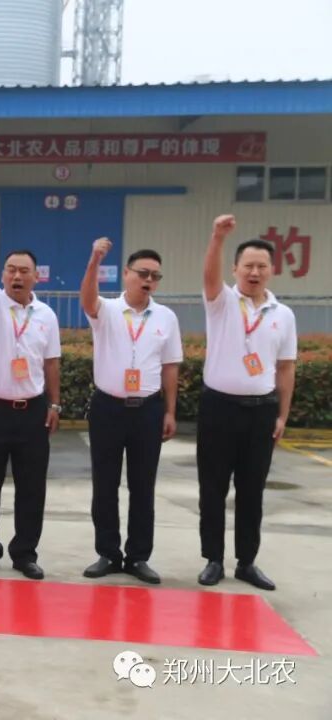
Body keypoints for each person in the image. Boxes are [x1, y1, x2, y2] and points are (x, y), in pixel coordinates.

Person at [197, 215, 296, 591]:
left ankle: (247, 562)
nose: (254, 272)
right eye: (248, 266)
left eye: (262, 266)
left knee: (252, 490)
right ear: (235, 269)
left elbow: (285, 368)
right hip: (219, 409)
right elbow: (209, 275)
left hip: (261, 411)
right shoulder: (221, 302)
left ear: (272, 271)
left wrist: (282, 415)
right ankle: (213, 559)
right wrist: (217, 238)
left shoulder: (283, 315)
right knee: (213, 488)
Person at [79, 238, 183, 585]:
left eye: (155, 276)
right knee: (105, 484)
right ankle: (108, 553)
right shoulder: (107, 310)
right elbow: (87, 299)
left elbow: (170, 366)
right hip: (108, 407)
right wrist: (95, 259)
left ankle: (138, 556)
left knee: (143, 486)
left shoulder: (166, 318)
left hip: (148, 410)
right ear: (126, 274)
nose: (148, 280)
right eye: (142, 273)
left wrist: (170, 411)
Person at [0, 220, 61, 580]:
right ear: (3, 275)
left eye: (24, 271)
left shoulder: (46, 315)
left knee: (32, 487)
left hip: (32, 413)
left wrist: (55, 404)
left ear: (36, 277)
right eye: (10, 270)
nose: (16, 276)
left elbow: (51, 363)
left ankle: (25, 553)